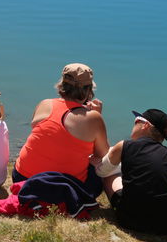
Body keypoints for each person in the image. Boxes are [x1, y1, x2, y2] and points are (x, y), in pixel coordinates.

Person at [96, 108, 167, 235]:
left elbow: (102, 172)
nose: (133, 125)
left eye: (136, 122)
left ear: (146, 125)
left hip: (127, 220)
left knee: (110, 175)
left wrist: (98, 163)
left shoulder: (124, 146)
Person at [12, 63, 109, 196]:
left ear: (62, 84)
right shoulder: (93, 118)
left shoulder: (44, 104)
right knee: (103, 164)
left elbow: (50, 134)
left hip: (22, 178)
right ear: (88, 90)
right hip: (65, 188)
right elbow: (103, 154)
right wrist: (97, 116)